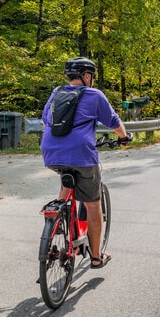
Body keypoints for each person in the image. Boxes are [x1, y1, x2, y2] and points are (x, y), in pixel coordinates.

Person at [41, 57, 130, 269]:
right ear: (87, 76)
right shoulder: (94, 94)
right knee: (92, 204)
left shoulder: (56, 93)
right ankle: (97, 256)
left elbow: (46, 119)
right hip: (82, 154)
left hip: (51, 152)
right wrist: (124, 137)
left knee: (67, 177)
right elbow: (114, 122)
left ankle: (59, 220)